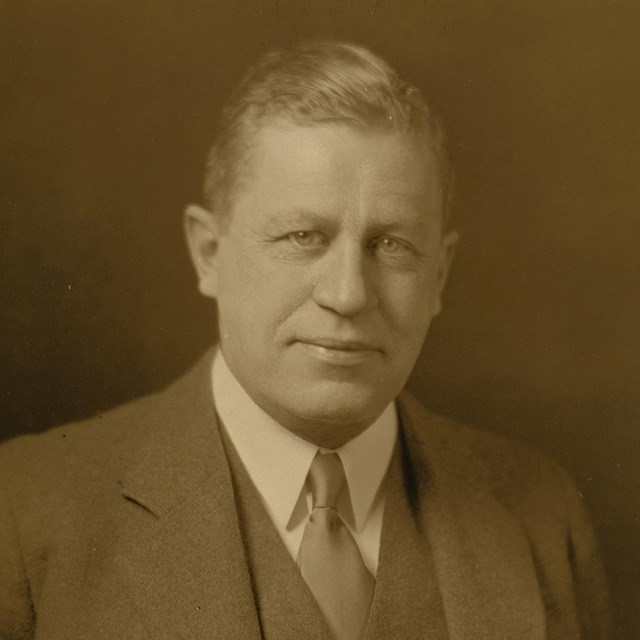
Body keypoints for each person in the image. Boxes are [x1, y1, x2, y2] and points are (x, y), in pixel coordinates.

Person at [0, 41, 611, 640]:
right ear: (209, 253)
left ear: (440, 276)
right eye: (303, 236)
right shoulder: (26, 511)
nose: (348, 294)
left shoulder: (541, 514)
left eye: (391, 245)